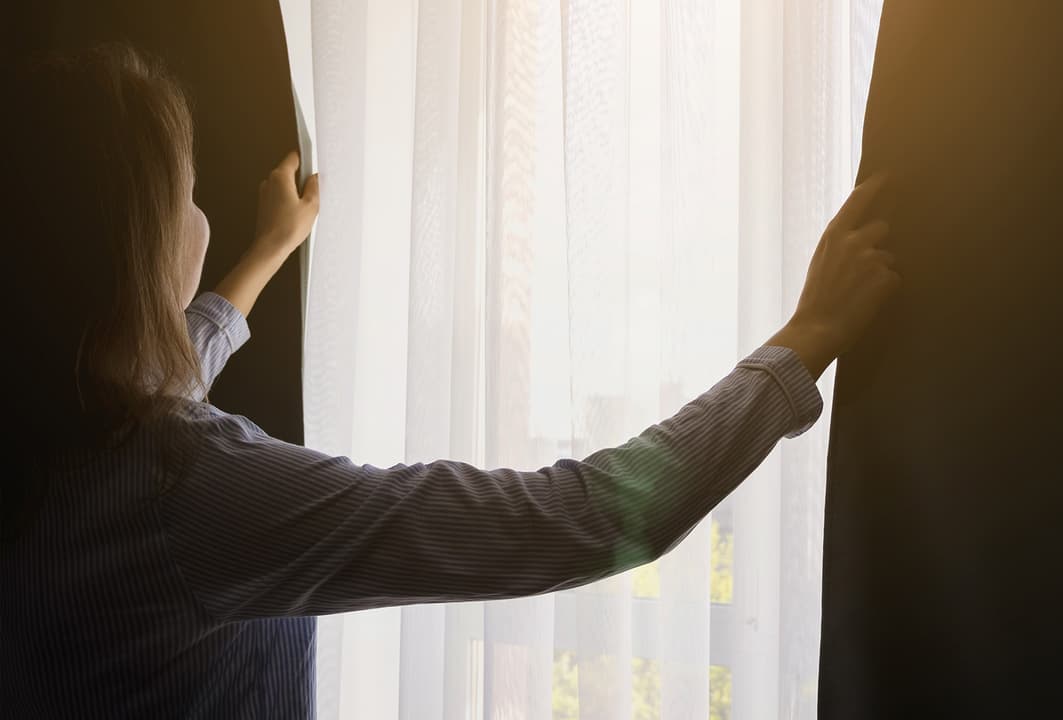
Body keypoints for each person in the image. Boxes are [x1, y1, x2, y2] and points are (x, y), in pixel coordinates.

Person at [0, 42, 899, 718]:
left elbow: (169, 367)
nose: (202, 219)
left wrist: (266, 252)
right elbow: (578, 520)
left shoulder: (54, 426)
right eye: (188, 197)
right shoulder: (189, 491)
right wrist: (802, 345)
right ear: (138, 251)